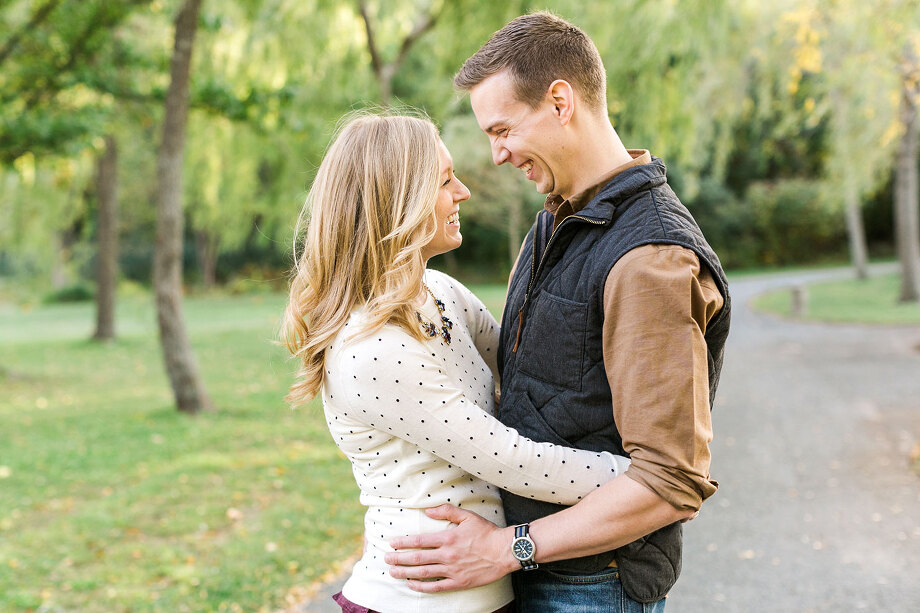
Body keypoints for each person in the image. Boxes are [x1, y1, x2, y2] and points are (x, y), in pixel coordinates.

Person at [385, 12, 731, 612]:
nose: (494, 156)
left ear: (561, 102)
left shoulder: (649, 259)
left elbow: (670, 483)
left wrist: (506, 548)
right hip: (543, 573)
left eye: (503, 130)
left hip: (592, 587)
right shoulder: (558, 218)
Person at [280, 112, 633, 613]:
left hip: (482, 594)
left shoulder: (439, 293)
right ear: (398, 201)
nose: (463, 191)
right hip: (419, 602)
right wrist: (644, 481)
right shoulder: (372, 350)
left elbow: (526, 368)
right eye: (445, 181)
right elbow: (512, 460)